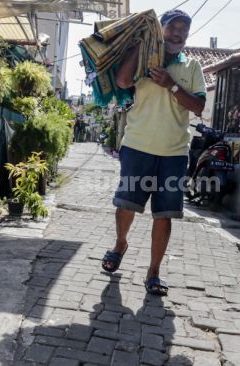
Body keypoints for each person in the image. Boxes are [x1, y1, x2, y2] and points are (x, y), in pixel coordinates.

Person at [101, 9, 206, 296]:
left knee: (165, 214)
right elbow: (122, 82)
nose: (178, 34)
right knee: (126, 204)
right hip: (137, 147)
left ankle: (153, 272)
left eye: (184, 30)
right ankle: (120, 243)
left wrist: (170, 84)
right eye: (173, 27)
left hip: (174, 153)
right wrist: (139, 44)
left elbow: (198, 106)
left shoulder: (192, 66)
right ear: (160, 30)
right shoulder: (146, 58)